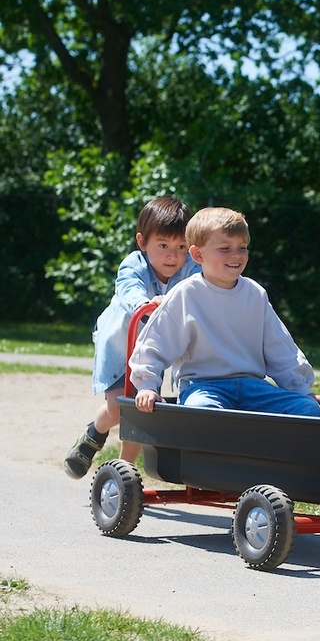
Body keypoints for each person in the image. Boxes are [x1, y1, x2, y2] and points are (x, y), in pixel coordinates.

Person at [129, 206, 320, 417]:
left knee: (307, 408)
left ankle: (264, 449)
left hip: (252, 387)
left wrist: (302, 391)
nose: (236, 255)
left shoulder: (255, 294)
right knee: (201, 411)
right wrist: (148, 385)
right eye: (225, 248)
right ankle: (213, 449)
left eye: (242, 248)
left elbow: (280, 348)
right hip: (204, 386)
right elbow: (155, 343)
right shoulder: (186, 294)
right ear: (198, 254)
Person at [64, 196, 200, 479]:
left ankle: (123, 474)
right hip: (121, 346)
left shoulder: (189, 267)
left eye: (181, 247)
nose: (172, 256)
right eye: (163, 246)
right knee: (117, 409)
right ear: (142, 242)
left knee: (142, 410)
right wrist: (147, 303)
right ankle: (93, 434)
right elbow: (129, 292)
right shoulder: (133, 265)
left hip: (152, 350)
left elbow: (203, 287)